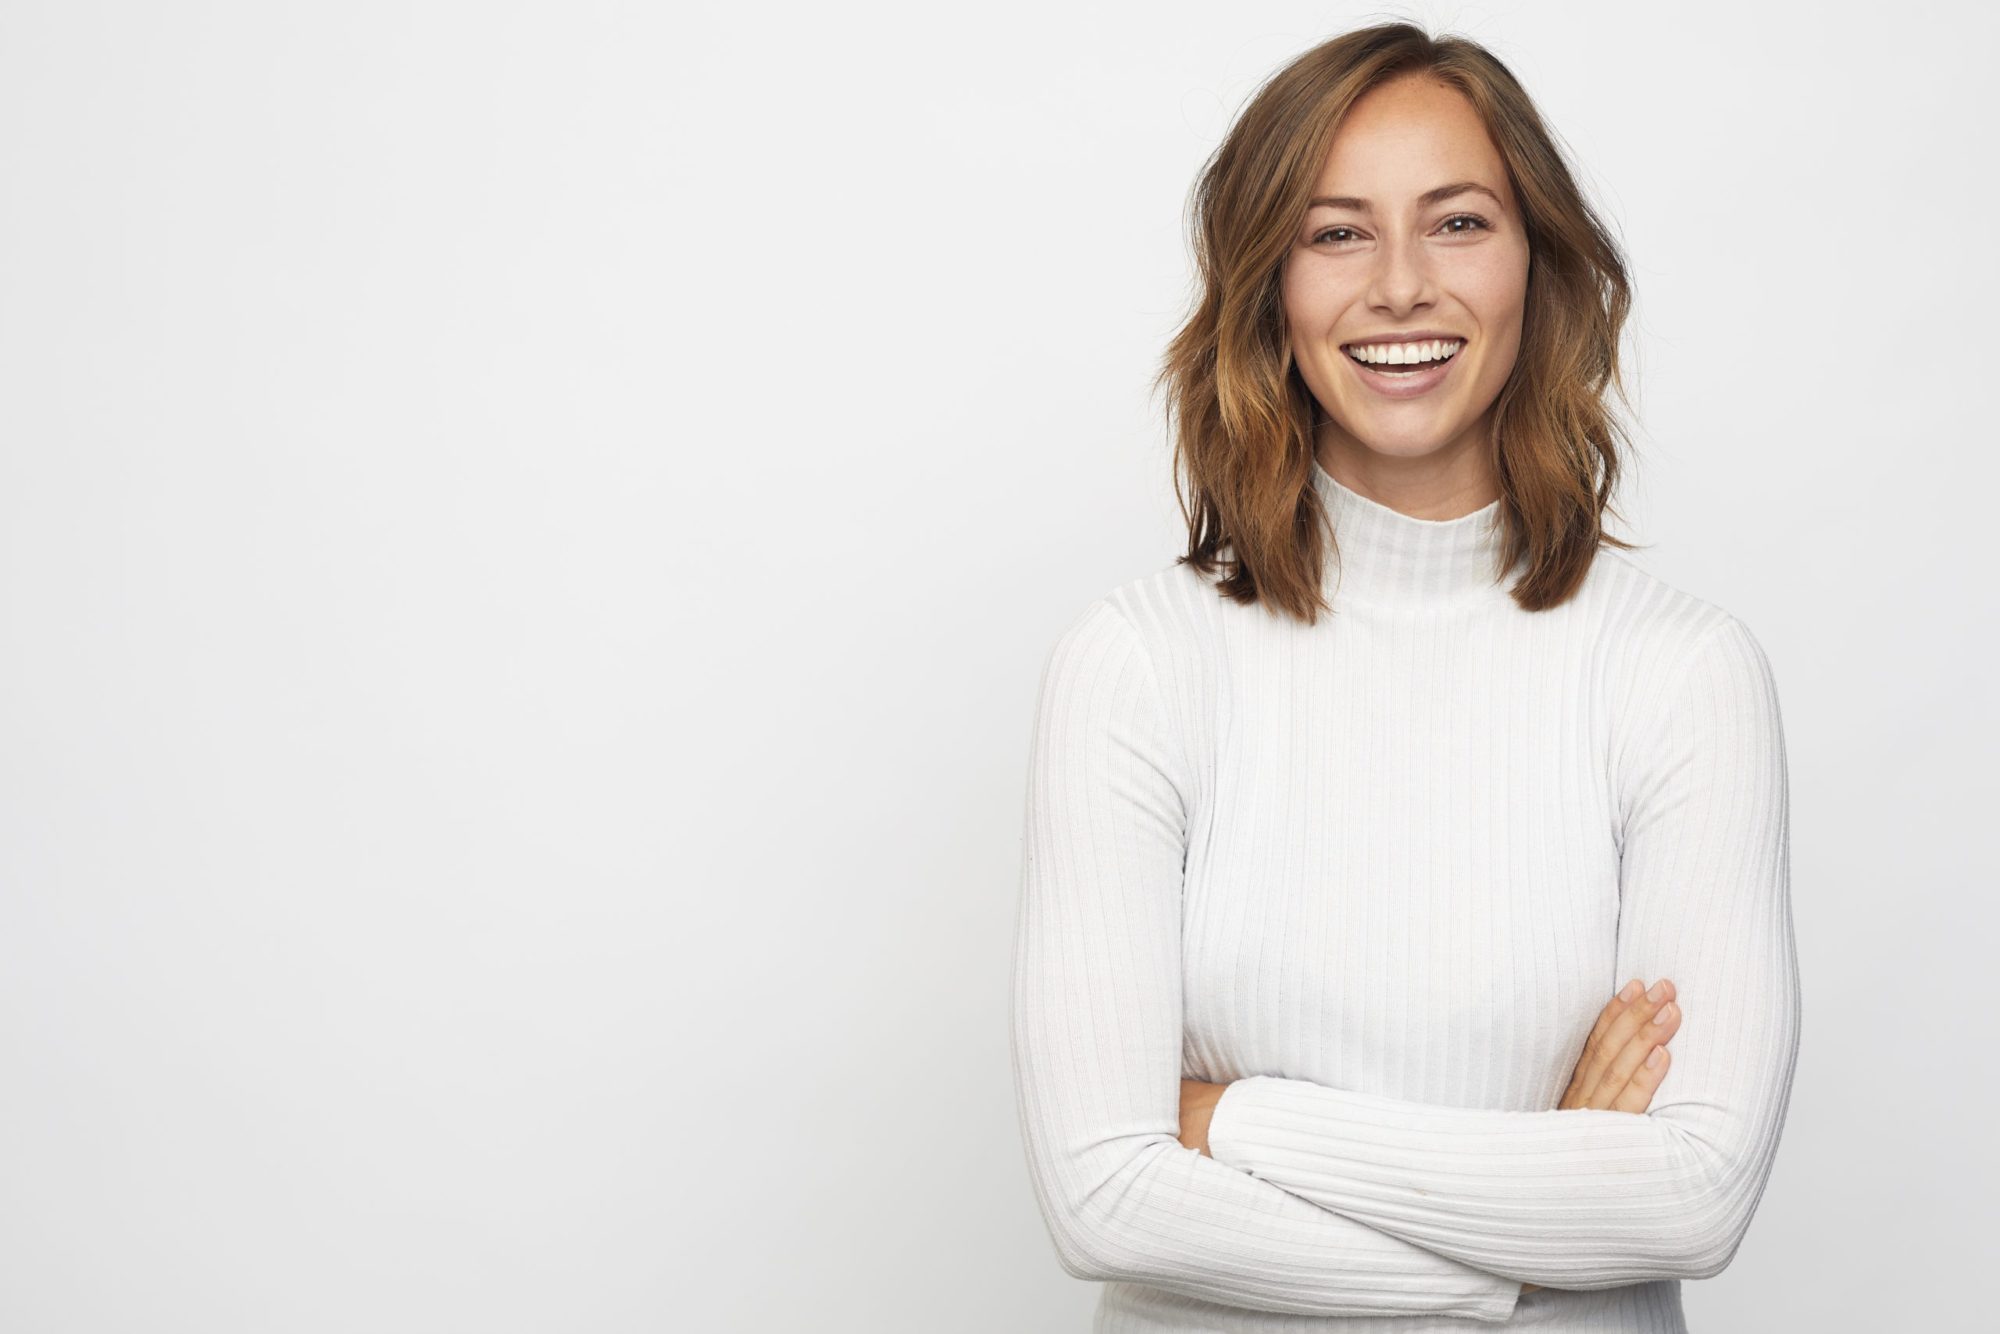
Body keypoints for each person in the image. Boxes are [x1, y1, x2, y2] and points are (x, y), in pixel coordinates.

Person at [1008, 22, 1802, 1334]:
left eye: (1458, 223)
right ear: (1269, 285)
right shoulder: (1138, 664)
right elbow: (1104, 1193)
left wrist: (1228, 1118)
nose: (1398, 287)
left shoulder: (1679, 673)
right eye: (1335, 233)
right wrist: (1530, 1248)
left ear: (1536, 266)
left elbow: (1691, 1194)